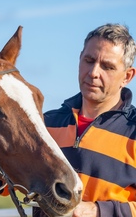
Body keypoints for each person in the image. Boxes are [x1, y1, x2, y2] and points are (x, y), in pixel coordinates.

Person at [33, 23, 136, 217]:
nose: (94, 72)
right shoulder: (46, 124)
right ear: (80, 59)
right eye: (89, 60)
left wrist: (97, 210)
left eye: (107, 66)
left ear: (127, 76)